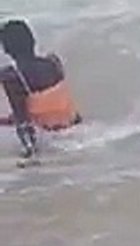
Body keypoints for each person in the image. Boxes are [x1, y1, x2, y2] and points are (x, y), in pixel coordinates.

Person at [0, 20, 81, 165]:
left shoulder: (12, 76)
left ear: (6, 49)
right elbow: (53, 102)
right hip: (75, 130)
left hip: (50, 141)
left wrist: (30, 155)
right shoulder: (54, 62)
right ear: (32, 41)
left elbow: (23, 121)